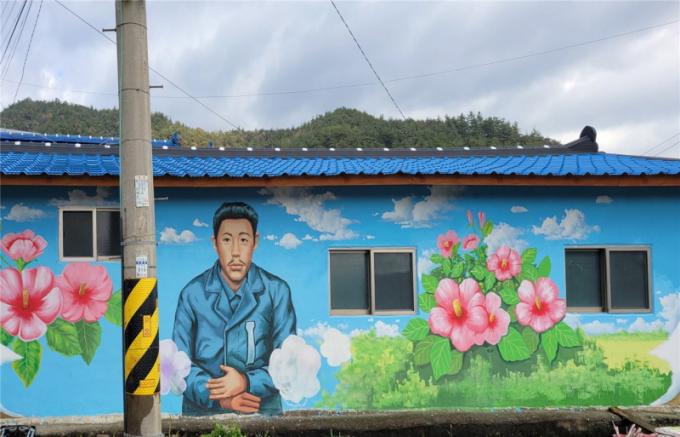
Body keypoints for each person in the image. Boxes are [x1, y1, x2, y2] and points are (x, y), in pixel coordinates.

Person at [173, 202, 297, 415]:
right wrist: (221, 399)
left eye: (244, 240)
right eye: (227, 240)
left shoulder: (277, 291)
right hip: (203, 415)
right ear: (215, 243)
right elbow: (179, 365)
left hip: (260, 411)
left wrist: (246, 381)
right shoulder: (192, 294)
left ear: (255, 242)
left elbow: (288, 362)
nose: (236, 252)